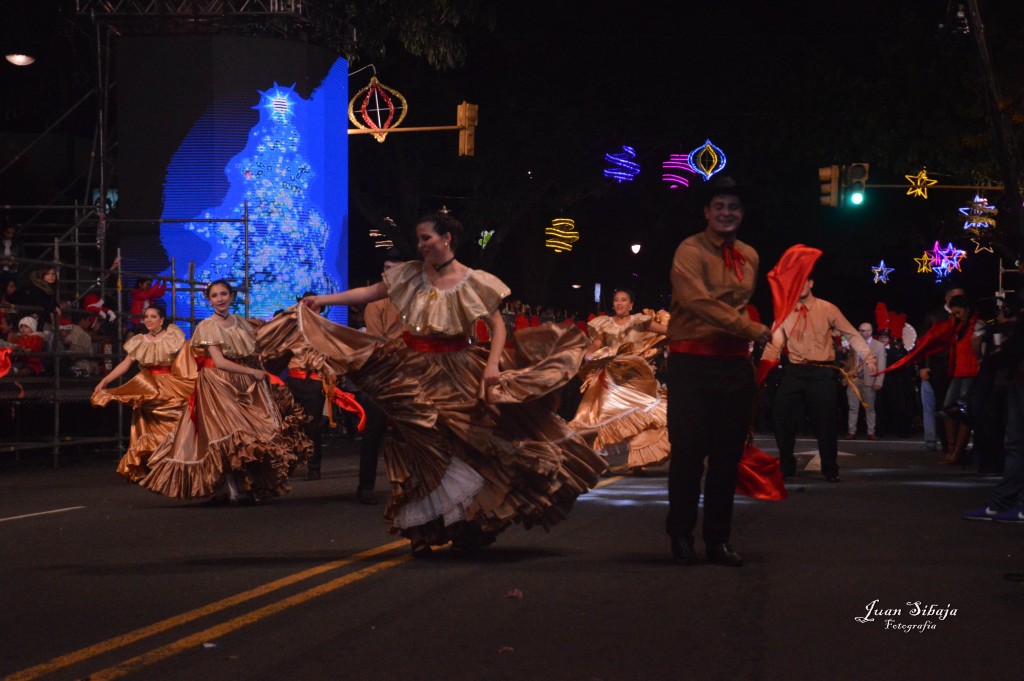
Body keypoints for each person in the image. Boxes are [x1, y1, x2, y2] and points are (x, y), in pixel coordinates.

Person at [285, 212, 605, 556]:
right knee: (417, 445)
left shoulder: (473, 281)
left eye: (427, 238)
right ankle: (424, 528)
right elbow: (371, 292)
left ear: (447, 239)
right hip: (413, 367)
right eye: (419, 239)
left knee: (466, 444)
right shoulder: (409, 274)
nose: (421, 245)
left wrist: (493, 363)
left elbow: (496, 325)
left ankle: (469, 520)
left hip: (456, 368)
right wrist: (322, 301)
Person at [664, 175, 771, 568]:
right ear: (706, 212)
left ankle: (718, 540)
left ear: (742, 214)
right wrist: (752, 329)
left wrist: (750, 337)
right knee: (689, 455)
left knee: (728, 458)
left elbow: (738, 306)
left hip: (733, 366)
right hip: (692, 363)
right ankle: (680, 536)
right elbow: (698, 302)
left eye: (734, 207)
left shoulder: (750, 256)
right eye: (719, 206)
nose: (727, 213)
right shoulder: (689, 251)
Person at [140, 279, 311, 504]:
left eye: (223, 294)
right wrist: (252, 372)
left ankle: (241, 486)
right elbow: (219, 362)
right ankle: (232, 489)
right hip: (217, 384)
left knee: (246, 435)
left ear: (231, 296)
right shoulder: (208, 326)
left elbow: (252, 351)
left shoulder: (241, 322)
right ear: (209, 300)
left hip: (241, 382)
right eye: (214, 295)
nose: (219, 299)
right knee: (227, 436)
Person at [762, 275, 875, 483]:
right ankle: (786, 465)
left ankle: (830, 468)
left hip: (821, 373)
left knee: (825, 423)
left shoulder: (827, 308)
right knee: (781, 417)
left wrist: (868, 357)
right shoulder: (785, 312)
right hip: (794, 371)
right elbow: (774, 345)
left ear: (811, 283)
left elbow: (851, 333)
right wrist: (762, 370)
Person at [568, 288, 670, 473]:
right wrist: (589, 354)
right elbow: (597, 343)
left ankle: (640, 458)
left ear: (631, 305)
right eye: (616, 300)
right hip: (610, 376)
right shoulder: (605, 324)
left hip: (635, 377)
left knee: (639, 416)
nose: (619, 303)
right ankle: (598, 459)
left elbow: (668, 331)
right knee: (602, 412)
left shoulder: (640, 320)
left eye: (624, 300)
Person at [91, 304, 196, 482]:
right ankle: (157, 468)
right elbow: (125, 364)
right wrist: (105, 380)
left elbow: (187, 358)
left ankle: (179, 463)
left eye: (153, 316)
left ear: (162, 319)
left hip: (170, 385)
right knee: (148, 430)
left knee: (176, 423)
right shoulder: (139, 340)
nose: (148, 319)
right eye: (146, 316)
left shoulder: (173, 336)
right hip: (146, 386)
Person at [355, 248, 409, 504]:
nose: (389, 273)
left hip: (411, 373)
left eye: (395, 269)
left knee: (414, 431)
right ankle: (365, 487)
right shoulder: (376, 303)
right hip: (381, 374)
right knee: (374, 431)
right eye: (386, 268)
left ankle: (412, 483)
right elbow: (376, 341)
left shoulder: (417, 299)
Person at [939, 295, 983, 465]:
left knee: (964, 412)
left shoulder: (977, 325)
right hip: (958, 372)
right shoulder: (959, 326)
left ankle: (957, 452)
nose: (956, 316)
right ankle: (952, 450)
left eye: (958, 312)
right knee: (948, 409)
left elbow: (979, 350)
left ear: (967, 309)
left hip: (971, 373)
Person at [845, 322, 887, 440]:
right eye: (859, 330)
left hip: (869, 380)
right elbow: (850, 361)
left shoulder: (878, 345)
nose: (860, 332)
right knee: (853, 407)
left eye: (863, 330)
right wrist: (846, 377)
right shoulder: (855, 344)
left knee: (870, 408)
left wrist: (879, 381)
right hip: (854, 379)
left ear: (870, 332)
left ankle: (870, 431)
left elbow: (882, 364)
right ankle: (851, 431)